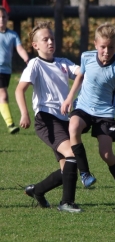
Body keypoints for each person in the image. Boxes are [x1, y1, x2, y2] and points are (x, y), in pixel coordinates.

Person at [61, 22, 115, 211]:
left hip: (106, 112)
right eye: (103, 47)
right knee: (73, 128)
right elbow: (80, 76)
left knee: (106, 154)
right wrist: (69, 98)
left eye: (111, 47)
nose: (106, 51)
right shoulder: (86, 57)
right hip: (84, 106)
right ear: (96, 44)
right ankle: (85, 174)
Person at [15, 21, 95, 213]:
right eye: (45, 39)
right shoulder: (35, 64)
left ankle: (37, 190)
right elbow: (19, 90)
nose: (50, 42)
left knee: (67, 169)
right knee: (73, 156)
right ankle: (66, 203)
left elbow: (81, 73)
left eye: (52, 38)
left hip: (63, 121)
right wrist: (25, 113)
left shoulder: (63, 63)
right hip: (46, 120)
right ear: (35, 46)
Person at [0, 6, 29, 134]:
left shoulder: (12, 35)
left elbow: (20, 49)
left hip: (6, 71)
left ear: (7, 18)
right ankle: (10, 124)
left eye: (3, 17)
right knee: (3, 95)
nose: (1, 19)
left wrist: (26, 58)